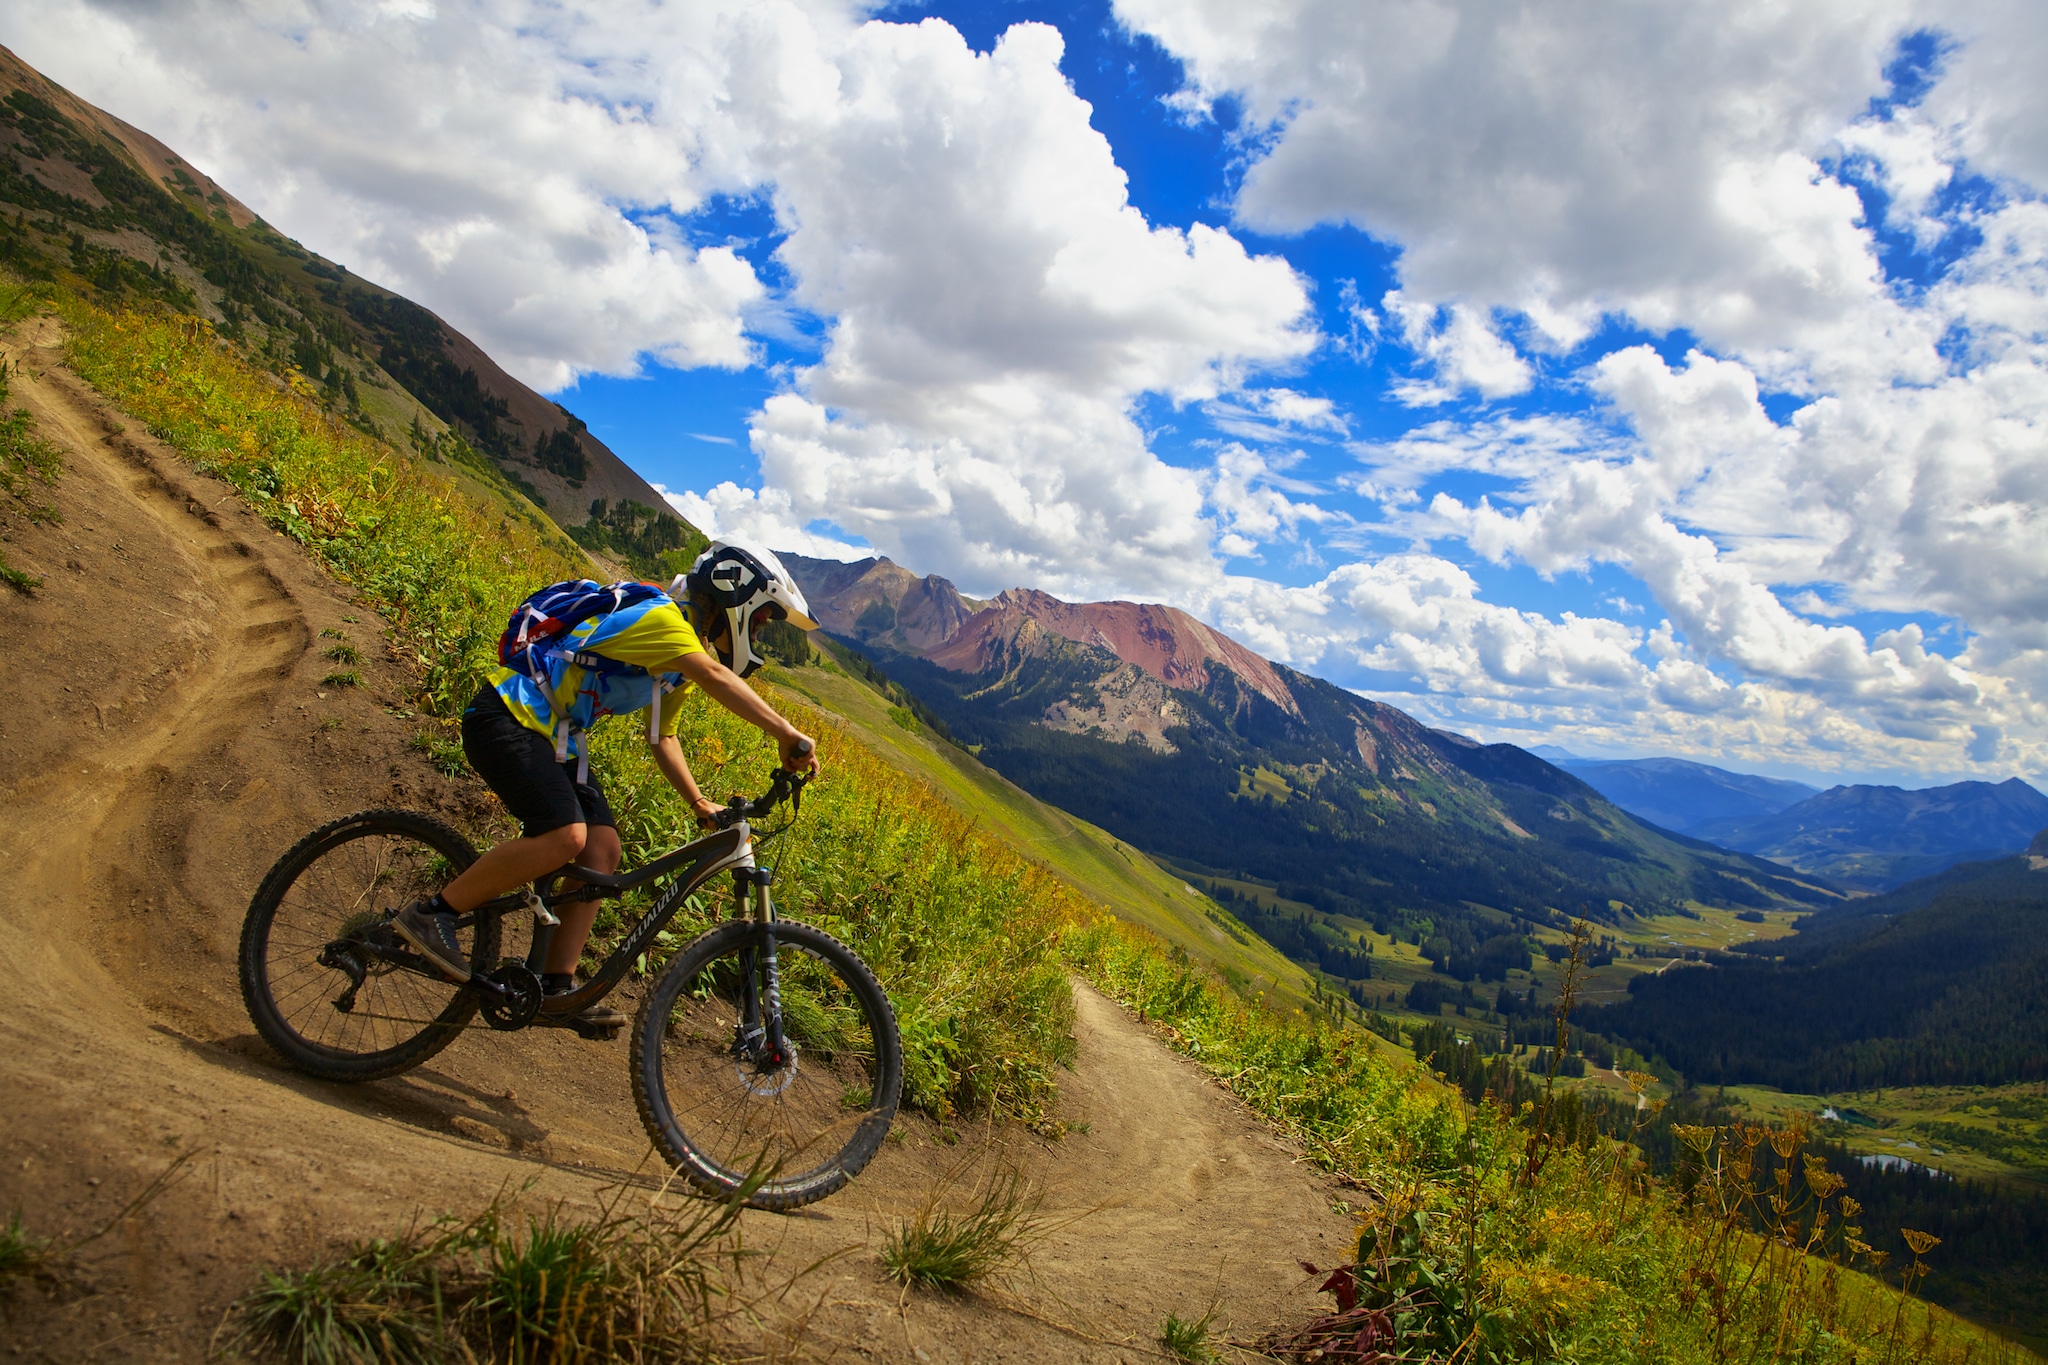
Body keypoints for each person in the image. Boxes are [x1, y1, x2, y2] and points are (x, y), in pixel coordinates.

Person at [392, 537, 820, 1029]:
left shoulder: (679, 662)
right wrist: (785, 732)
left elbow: (663, 736)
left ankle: (557, 987)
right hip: (509, 716)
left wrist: (699, 801)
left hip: (556, 738)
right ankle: (432, 914)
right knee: (565, 837)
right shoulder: (665, 623)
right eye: (763, 617)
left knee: (601, 852)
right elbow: (713, 677)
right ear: (735, 593)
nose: (761, 630)